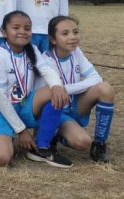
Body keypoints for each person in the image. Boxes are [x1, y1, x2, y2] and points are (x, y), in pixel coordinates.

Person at [0, 11, 72, 168]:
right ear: (4, 32)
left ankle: (42, 147)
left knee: (57, 92)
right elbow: (1, 99)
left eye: (27, 28)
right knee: (2, 158)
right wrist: (21, 130)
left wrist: (57, 86)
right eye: (16, 28)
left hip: (23, 105)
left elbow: (47, 70)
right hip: (0, 111)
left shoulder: (32, 50)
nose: (22, 32)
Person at [45, 16, 115, 163]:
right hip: (57, 111)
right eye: (65, 34)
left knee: (105, 89)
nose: (72, 37)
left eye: (75, 32)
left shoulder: (76, 52)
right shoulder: (46, 60)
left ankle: (100, 144)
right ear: (53, 39)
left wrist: (65, 89)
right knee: (82, 142)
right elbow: (51, 93)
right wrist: (64, 90)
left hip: (74, 105)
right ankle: (58, 134)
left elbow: (96, 78)